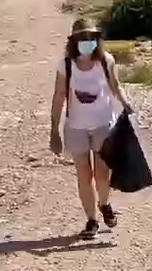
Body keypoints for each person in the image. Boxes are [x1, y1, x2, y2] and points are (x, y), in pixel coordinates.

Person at [49, 17, 134, 240]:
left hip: (102, 124)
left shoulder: (106, 61)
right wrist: (53, 130)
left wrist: (126, 102)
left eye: (91, 38)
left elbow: (116, 87)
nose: (87, 41)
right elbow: (59, 97)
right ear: (74, 41)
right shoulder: (66, 64)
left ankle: (104, 204)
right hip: (75, 127)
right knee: (84, 175)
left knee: (102, 174)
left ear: (97, 39)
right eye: (82, 38)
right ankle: (91, 220)